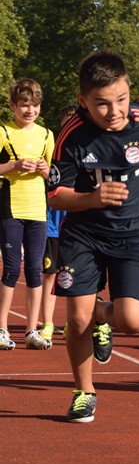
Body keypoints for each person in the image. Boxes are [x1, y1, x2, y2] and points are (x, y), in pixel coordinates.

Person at [47, 51, 139, 423]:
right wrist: (92, 198)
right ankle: (84, 392)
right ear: (83, 101)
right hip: (84, 235)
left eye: (121, 99)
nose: (114, 111)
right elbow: (55, 195)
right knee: (76, 320)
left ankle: (102, 315)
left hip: (134, 233)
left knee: (133, 321)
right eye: (101, 103)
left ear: (129, 89)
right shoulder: (72, 135)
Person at [0, 78, 54, 351]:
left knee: (35, 270)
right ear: (13, 105)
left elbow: (54, 175)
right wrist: (15, 165)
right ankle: (2, 328)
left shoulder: (46, 135)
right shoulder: (3, 131)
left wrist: (45, 170)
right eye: (24, 105)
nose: (29, 110)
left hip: (38, 210)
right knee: (11, 268)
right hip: (11, 208)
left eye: (34, 105)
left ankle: (32, 330)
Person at [40, 104, 78, 344]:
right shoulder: (52, 152)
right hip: (53, 225)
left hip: (77, 225)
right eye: (65, 126)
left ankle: (72, 323)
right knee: (50, 274)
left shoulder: (88, 151)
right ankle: (47, 323)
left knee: (77, 276)